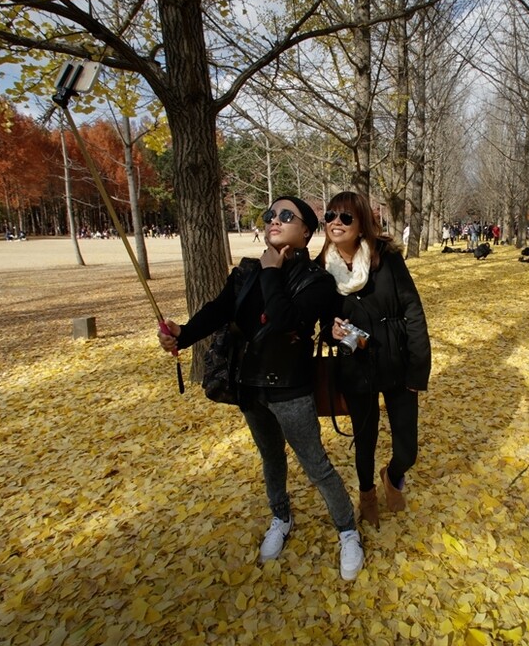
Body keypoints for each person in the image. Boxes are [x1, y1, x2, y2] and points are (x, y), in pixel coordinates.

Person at [157, 196, 364, 580]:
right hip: (249, 387)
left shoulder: (317, 281)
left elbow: (286, 321)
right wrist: (181, 335)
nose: (274, 220)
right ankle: (280, 517)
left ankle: (347, 530)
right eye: (270, 214)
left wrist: (272, 271)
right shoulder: (247, 272)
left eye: (287, 216)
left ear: (306, 231)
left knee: (315, 465)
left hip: (290, 388)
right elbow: (218, 311)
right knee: (271, 458)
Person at [317, 191, 432, 529]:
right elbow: (321, 322)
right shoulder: (322, 269)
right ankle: (367, 493)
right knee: (364, 444)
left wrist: (418, 369)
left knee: (407, 449)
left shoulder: (386, 258)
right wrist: (330, 330)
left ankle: (393, 475)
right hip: (356, 368)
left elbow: (413, 310)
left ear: (362, 222)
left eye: (346, 217)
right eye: (331, 216)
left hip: (397, 363)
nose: (336, 222)